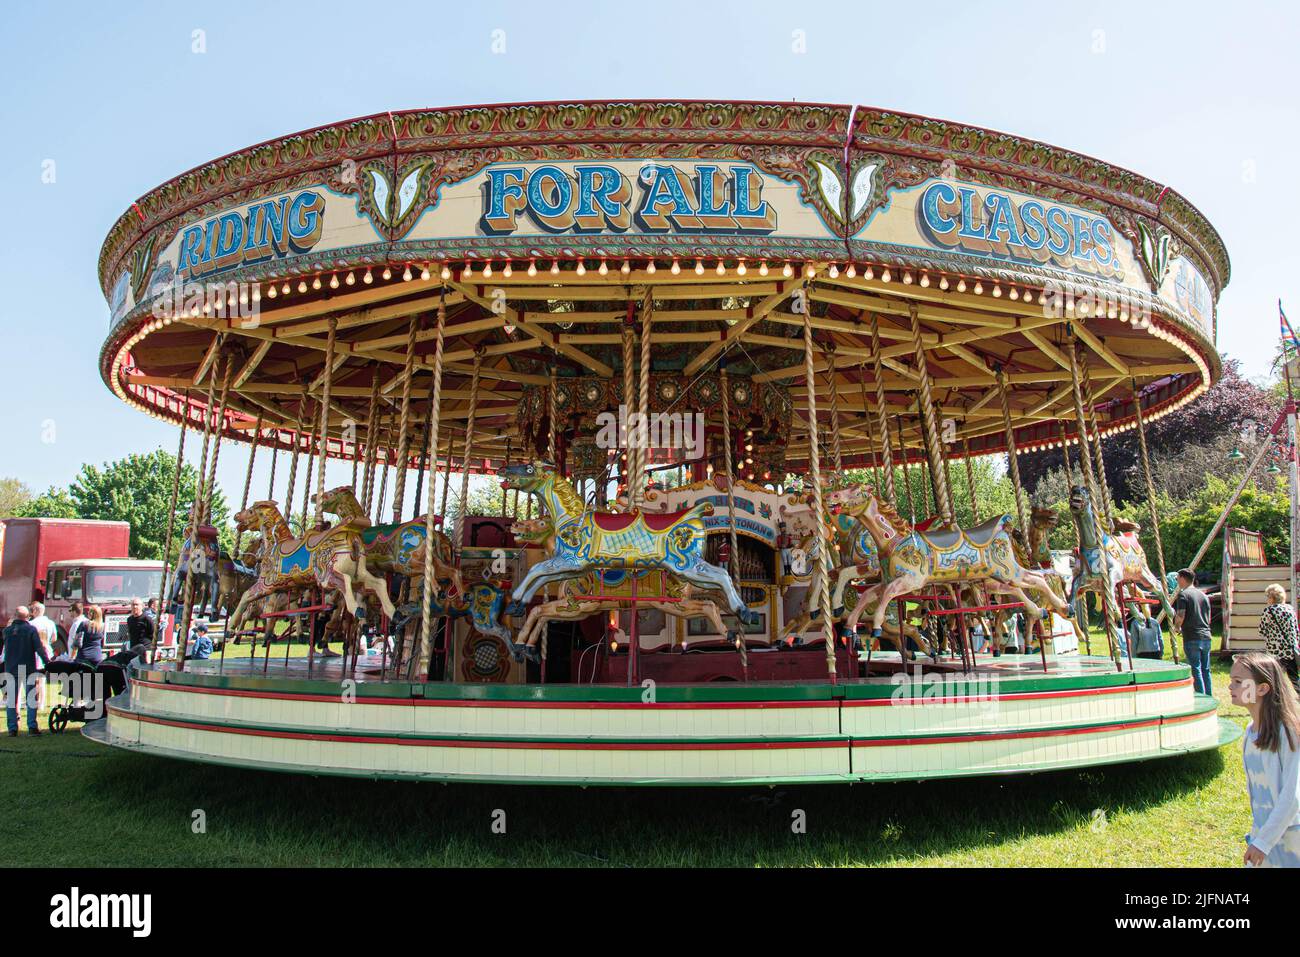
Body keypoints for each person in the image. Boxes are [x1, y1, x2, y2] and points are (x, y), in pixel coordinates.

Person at [1229, 652, 1300, 867]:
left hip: (1291, 842)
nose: (1230, 687)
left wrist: (1263, 842)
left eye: (1239, 682)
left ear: (1262, 688)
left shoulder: (1288, 734)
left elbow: (1293, 796)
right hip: (1265, 837)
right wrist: (1259, 836)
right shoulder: (1250, 733)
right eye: (1231, 680)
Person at [2, 607, 49, 736]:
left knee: (12, 700)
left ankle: (12, 729)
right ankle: (32, 727)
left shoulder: (6, 631)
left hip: (11, 668)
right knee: (31, 698)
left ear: (15, 615)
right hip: (28, 667)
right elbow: (39, 649)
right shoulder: (31, 630)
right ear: (28, 617)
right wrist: (47, 662)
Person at [1174, 568, 1213, 695]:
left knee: (1196, 669)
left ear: (1183, 578)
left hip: (1192, 636)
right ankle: (1209, 694)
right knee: (1206, 669)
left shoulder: (1183, 594)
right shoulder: (1203, 595)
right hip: (1206, 635)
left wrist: (1177, 627)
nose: (1177, 581)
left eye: (1177, 578)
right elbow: (1209, 616)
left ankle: (1201, 696)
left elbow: (1180, 615)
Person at [1258, 584, 1300, 694]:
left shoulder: (1269, 611)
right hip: (1290, 651)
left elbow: (1262, 631)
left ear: (1272, 598)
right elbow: (1296, 630)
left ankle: (1277, 699)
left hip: (1275, 652)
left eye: (1267, 596)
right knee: (1294, 677)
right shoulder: (1290, 609)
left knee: (1274, 678)